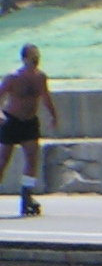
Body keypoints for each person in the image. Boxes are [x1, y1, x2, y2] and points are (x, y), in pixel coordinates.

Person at [0, 44, 59, 218]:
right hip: (11, 121)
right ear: (24, 58)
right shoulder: (13, 77)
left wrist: (53, 116)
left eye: (37, 56)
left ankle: (26, 196)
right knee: (3, 160)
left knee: (32, 158)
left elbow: (46, 97)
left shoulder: (40, 77)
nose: (35, 60)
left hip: (29, 122)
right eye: (32, 56)